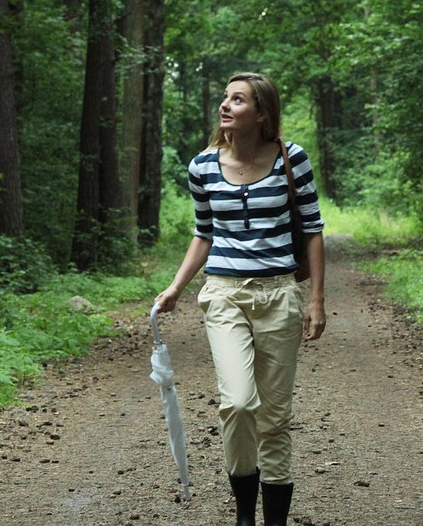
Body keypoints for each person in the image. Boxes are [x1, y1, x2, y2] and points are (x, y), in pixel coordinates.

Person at [152, 72, 326, 526]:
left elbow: (312, 228)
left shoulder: (293, 159)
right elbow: (203, 234)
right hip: (224, 294)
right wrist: (176, 286)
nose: (225, 106)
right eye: (225, 98)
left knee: (275, 415)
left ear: (262, 113)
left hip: (279, 294)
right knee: (239, 403)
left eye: (238, 100)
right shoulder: (202, 166)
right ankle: (244, 515)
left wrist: (316, 299)